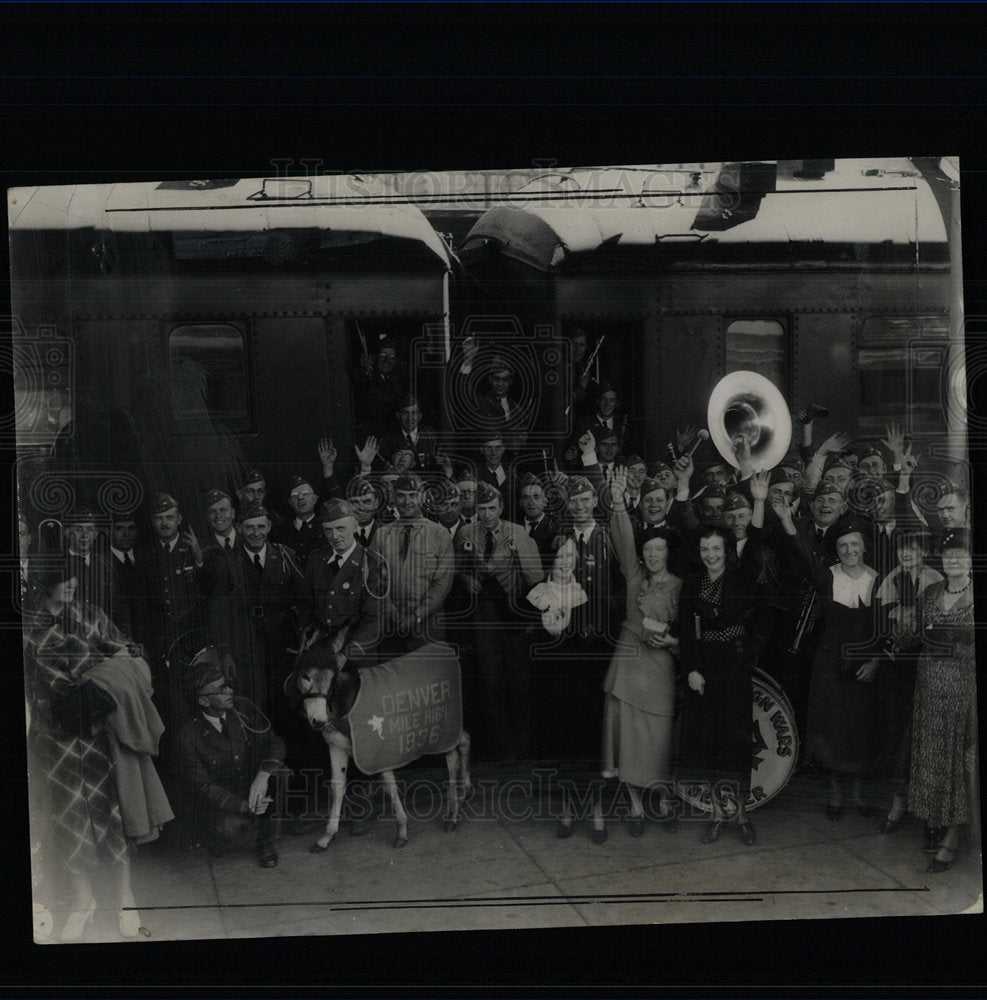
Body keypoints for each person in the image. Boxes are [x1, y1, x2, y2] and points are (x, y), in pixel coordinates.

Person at [23, 566, 156, 940]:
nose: (70, 587)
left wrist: (120, 666)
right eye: (62, 582)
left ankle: (126, 900)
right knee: (70, 820)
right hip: (54, 739)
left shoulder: (90, 615)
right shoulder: (27, 627)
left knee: (112, 815)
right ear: (43, 584)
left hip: (97, 733)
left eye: (73, 581)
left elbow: (123, 654)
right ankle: (84, 902)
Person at [773, 500, 883, 820]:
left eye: (855, 545)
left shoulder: (878, 579)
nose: (849, 550)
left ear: (864, 548)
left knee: (860, 729)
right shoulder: (828, 577)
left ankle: (859, 796)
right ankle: (835, 795)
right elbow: (802, 553)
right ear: (837, 550)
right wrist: (786, 521)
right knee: (831, 728)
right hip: (830, 662)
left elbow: (885, 626)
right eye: (843, 545)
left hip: (864, 664)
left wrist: (876, 661)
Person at [595, 467, 682, 839]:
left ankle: (661, 793)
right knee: (627, 736)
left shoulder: (680, 584)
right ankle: (633, 804)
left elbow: (686, 628)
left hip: (662, 664)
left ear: (667, 552)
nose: (652, 554)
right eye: (647, 550)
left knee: (659, 734)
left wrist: (676, 643)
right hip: (628, 663)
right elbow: (623, 538)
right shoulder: (633, 577)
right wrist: (617, 502)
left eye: (659, 549)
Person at [678, 524, 769, 846]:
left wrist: (748, 650)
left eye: (716, 549)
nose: (710, 555)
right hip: (703, 670)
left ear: (727, 550)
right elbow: (687, 631)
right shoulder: (691, 583)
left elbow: (763, 616)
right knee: (708, 743)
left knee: (737, 744)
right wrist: (691, 668)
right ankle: (716, 815)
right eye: (705, 549)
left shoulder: (742, 579)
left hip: (734, 670)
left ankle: (742, 816)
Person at [174, 647, 287, 868]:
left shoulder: (244, 709)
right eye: (221, 689)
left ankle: (264, 839)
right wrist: (244, 806)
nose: (230, 691)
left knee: (280, 773)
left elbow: (276, 744)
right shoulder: (187, 737)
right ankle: (221, 834)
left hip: (252, 786)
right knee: (227, 832)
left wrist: (263, 776)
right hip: (225, 800)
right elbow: (203, 787)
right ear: (204, 701)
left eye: (226, 684)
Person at [454, 482, 542, 760]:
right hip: (484, 615)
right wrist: (466, 578)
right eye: (482, 508)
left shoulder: (517, 533)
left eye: (492, 508)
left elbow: (536, 577)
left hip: (513, 612)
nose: (487, 514)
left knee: (518, 682)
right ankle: (503, 749)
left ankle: (522, 746)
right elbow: (456, 565)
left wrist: (530, 618)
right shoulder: (466, 532)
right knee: (491, 683)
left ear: (502, 508)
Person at [906, 528, 976, 873]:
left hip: (965, 687)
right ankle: (933, 820)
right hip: (929, 685)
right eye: (949, 556)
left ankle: (953, 836)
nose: (954, 561)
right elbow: (917, 632)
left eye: (961, 555)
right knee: (930, 753)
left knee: (956, 758)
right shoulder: (931, 591)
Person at [873, 530, 942, 835]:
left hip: (925, 663)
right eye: (903, 550)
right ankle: (897, 803)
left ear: (923, 551)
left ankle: (929, 809)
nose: (907, 555)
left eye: (913, 549)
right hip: (896, 665)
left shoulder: (935, 578)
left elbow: (937, 621)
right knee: (895, 731)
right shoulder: (892, 578)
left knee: (923, 733)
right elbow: (883, 618)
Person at [206, 503, 304, 716]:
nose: (256, 533)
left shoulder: (286, 556)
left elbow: (303, 601)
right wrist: (225, 652)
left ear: (268, 526)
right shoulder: (228, 562)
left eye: (260, 526)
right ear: (240, 528)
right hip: (246, 646)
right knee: (255, 704)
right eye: (250, 527)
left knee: (287, 704)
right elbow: (219, 611)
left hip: (283, 646)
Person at [369, 472, 454, 652]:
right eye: (401, 495)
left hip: (428, 623)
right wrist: (392, 613)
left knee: (428, 676)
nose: (407, 502)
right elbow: (374, 580)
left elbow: (442, 584)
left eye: (413, 495)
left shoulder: (439, 534)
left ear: (422, 496)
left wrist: (416, 616)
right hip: (390, 623)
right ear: (393, 497)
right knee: (392, 674)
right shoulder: (382, 535)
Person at [271, 475, 323, 568]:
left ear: (315, 499)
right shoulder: (282, 531)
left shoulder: (325, 527)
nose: (300, 498)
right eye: (294, 495)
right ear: (290, 503)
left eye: (305, 493)